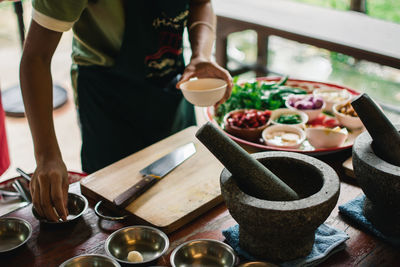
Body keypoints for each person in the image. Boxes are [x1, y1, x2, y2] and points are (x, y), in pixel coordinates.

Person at [20, 0, 232, 222]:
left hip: (169, 87)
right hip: (108, 100)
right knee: (112, 207)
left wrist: (201, 55)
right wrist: (47, 156)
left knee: (179, 189)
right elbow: (36, 57)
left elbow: (201, 3)